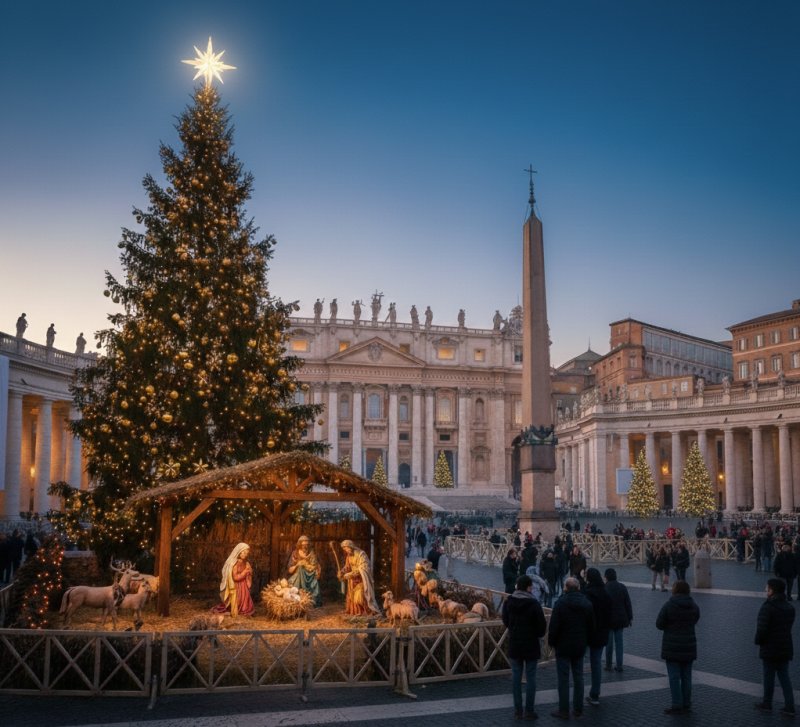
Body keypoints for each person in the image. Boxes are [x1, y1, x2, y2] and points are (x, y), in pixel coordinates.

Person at [548, 577, 595, 720]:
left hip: (563, 645)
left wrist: (552, 642)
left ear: (566, 588)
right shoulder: (587, 604)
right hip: (579, 645)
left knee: (563, 679)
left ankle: (563, 710)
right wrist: (587, 642)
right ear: (578, 588)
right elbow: (591, 626)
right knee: (579, 677)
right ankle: (578, 709)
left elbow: (554, 626)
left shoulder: (560, 603)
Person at [502, 574, 547, 721]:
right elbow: (541, 627)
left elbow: (506, 621)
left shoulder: (508, 601)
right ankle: (529, 710)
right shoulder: (534, 604)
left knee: (516, 677)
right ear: (528, 587)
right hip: (531, 644)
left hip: (515, 643)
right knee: (531, 677)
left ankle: (517, 710)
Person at [656, 581, 700, 715]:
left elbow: (659, 624)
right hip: (689, 646)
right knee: (687, 676)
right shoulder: (694, 606)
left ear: (675, 590)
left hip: (672, 647)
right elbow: (696, 619)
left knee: (674, 677)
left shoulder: (669, 605)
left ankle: (676, 704)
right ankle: (686, 703)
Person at [754, 578, 796, 717]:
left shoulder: (768, 607)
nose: (766, 590)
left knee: (768, 677)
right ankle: (790, 706)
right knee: (785, 677)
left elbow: (762, 629)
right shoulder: (789, 607)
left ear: (772, 590)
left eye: (767, 588)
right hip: (785, 646)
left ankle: (767, 703)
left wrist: (759, 641)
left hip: (770, 647)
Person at [583, 568, 612, 707]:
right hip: (601, 632)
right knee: (596, 664)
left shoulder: (587, 594)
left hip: (588, 633)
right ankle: (595, 693)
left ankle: (580, 693)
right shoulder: (605, 593)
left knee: (578, 664)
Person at [339, 539, 380, 615]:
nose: (345, 550)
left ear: (350, 546)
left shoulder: (361, 554)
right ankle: (356, 612)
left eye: (346, 548)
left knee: (360, 597)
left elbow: (364, 568)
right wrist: (343, 571)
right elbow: (347, 566)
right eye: (344, 549)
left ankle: (366, 612)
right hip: (352, 580)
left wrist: (351, 574)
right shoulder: (349, 556)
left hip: (362, 579)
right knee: (352, 597)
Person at [212, 542, 255, 616]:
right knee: (238, 600)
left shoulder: (246, 563)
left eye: (246, 553)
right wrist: (245, 572)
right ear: (239, 552)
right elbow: (235, 578)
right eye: (243, 552)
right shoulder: (234, 564)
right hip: (237, 586)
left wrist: (249, 572)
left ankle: (244, 609)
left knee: (245, 601)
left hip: (243, 586)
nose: (245, 555)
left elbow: (249, 574)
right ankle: (236, 609)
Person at [604, 568, 633, 672]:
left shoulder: (604, 588)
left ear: (606, 577)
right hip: (620, 619)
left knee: (609, 644)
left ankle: (608, 665)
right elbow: (627, 604)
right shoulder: (622, 587)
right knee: (619, 643)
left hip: (608, 620)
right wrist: (630, 617)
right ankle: (619, 665)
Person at [286, 535, 322, 607]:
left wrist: (315, 570)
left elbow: (316, 566)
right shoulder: (295, 553)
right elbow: (290, 570)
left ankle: (310, 600)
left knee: (314, 582)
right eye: (303, 545)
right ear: (300, 545)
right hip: (298, 576)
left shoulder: (312, 554)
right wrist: (297, 565)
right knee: (300, 568)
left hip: (310, 576)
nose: (305, 547)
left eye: (307, 545)